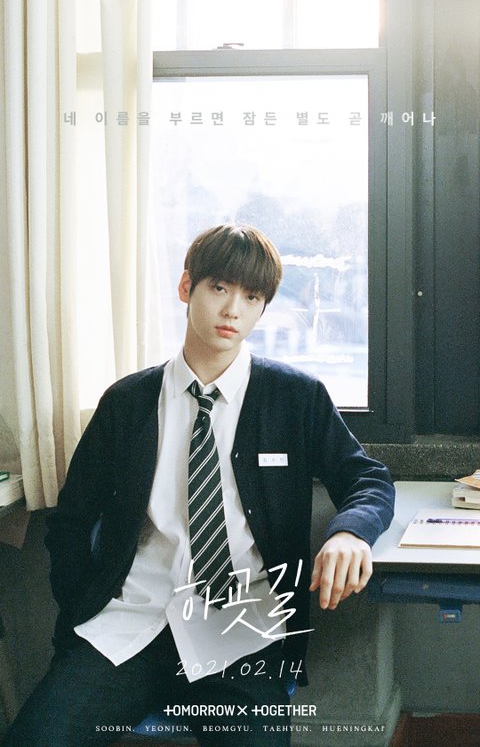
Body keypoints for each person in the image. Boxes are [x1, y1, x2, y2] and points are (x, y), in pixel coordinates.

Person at [5, 224, 395, 747]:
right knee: (36, 738)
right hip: (130, 624)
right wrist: (82, 609)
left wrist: (350, 532)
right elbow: (72, 521)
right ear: (186, 286)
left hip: (240, 629)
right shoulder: (127, 402)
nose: (233, 309)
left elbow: (367, 478)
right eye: (219, 288)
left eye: (252, 297)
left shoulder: (294, 397)